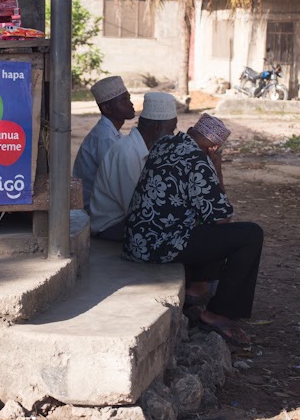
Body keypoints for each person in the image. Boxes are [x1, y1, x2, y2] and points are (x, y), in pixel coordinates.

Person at [123, 113, 264, 346]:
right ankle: (217, 312)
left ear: (192, 130)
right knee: (250, 235)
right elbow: (221, 219)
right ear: (215, 147)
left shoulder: (165, 143)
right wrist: (217, 168)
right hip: (160, 246)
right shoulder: (198, 161)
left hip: (136, 241)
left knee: (200, 222)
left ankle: (196, 289)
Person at [90, 92, 178, 241]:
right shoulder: (127, 153)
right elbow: (138, 210)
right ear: (157, 128)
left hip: (128, 221)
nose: (172, 135)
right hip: (111, 228)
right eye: (171, 130)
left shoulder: (140, 148)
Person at [73, 76, 135, 213]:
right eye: (124, 100)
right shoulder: (104, 137)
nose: (130, 104)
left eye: (129, 98)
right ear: (107, 108)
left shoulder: (112, 132)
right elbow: (117, 181)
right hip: (93, 209)